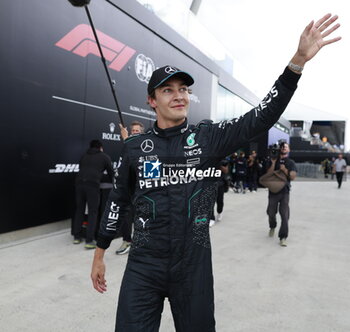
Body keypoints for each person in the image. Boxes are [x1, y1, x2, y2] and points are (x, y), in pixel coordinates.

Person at [91, 14, 340, 331]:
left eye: (183, 89)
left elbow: (260, 117)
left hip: (192, 264)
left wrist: (296, 64)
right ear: (151, 101)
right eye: (167, 90)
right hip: (143, 264)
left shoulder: (207, 138)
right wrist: (100, 252)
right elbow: (117, 200)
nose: (179, 95)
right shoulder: (135, 147)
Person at [72, 140, 114, 249]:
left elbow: (83, 168)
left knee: (80, 209)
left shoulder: (84, 156)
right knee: (93, 212)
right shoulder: (104, 156)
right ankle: (89, 240)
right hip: (92, 185)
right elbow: (111, 173)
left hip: (79, 184)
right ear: (100, 147)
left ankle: (77, 237)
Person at [116, 121, 145, 255]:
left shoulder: (145, 146)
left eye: (137, 131)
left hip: (142, 190)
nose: (135, 133)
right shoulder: (128, 146)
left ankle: (141, 243)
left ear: (142, 133)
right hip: (128, 189)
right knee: (126, 216)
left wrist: (127, 139)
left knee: (142, 218)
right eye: (133, 131)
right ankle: (127, 241)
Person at [266, 142, 297, 247]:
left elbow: (292, 177)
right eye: (282, 147)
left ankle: (283, 237)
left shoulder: (291, 162)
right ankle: (272, 226)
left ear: (289, 150)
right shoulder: (273, 160)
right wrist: (274, 163)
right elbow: (268, 174)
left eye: (286, 147)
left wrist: (284, 170)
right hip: (273, 191)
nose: (284, 148)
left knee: (284, 215)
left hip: (284, 192)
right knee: (271, 213)